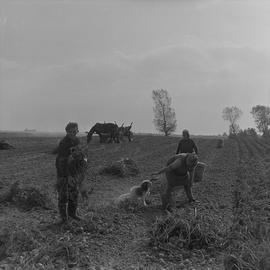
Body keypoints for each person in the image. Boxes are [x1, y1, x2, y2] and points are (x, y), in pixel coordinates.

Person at [55, 122, 82, 222]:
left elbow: (79, 155)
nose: (73, 133)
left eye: (75, 131)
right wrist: (67, 175)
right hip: (63, 170)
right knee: (63, 194)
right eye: (71, 131)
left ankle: (72, 214)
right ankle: (64, 218)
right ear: (67, 131)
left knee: (74, 192)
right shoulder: (63, 143)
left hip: (74, 170)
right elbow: (62, 161)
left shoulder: (77, 141)